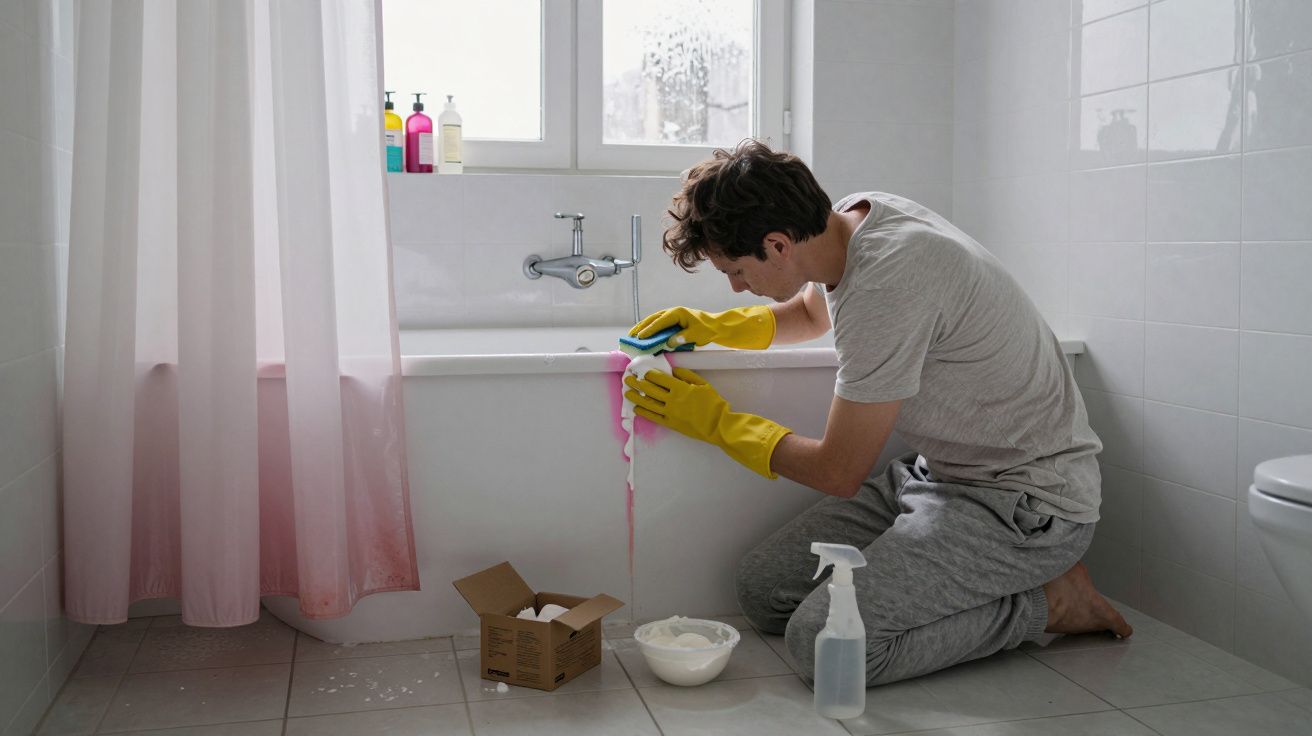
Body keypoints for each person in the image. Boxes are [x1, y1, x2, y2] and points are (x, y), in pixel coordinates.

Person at [622, 139, 1132, 687]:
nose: (736, 286)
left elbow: (837, 472)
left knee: (823, 648)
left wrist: (717, 423)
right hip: (939, 475)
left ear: (777, 243)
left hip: (1027, 504)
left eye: (737, 271)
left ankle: (1048, 604)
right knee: (764, 589)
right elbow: (817, 310)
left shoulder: (892, 281)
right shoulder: (849, 221)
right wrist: (718, 328)